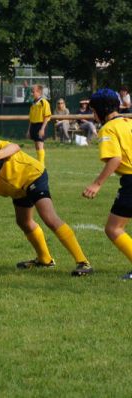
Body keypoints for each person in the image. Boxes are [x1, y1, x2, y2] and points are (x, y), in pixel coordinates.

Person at [0, 115, 92, 277]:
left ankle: (83, 262)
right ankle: (44, 259)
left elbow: (14, 146)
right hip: (16, 189)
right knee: (23, 221)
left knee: (49, 217)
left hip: (32, 175)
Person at [82, 89, 132, 279]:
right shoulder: (129, 122)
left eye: (93, 111)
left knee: (113, 228)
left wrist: (97, 184)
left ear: (101, 110)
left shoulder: (109, 129)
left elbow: (115, 159)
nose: (93, 116)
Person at [27, 84, 51, 165]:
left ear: (39, 92)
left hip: (41, 125)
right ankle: (40, 163)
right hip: (33, 125)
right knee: (36, 145)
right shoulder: (33, 103)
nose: (32, 93)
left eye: (33, 91)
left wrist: (42, 129)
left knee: (40, 144)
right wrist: (29, 130)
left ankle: (41, 164)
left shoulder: (44, 102)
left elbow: (47, 117)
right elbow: (31, 118)